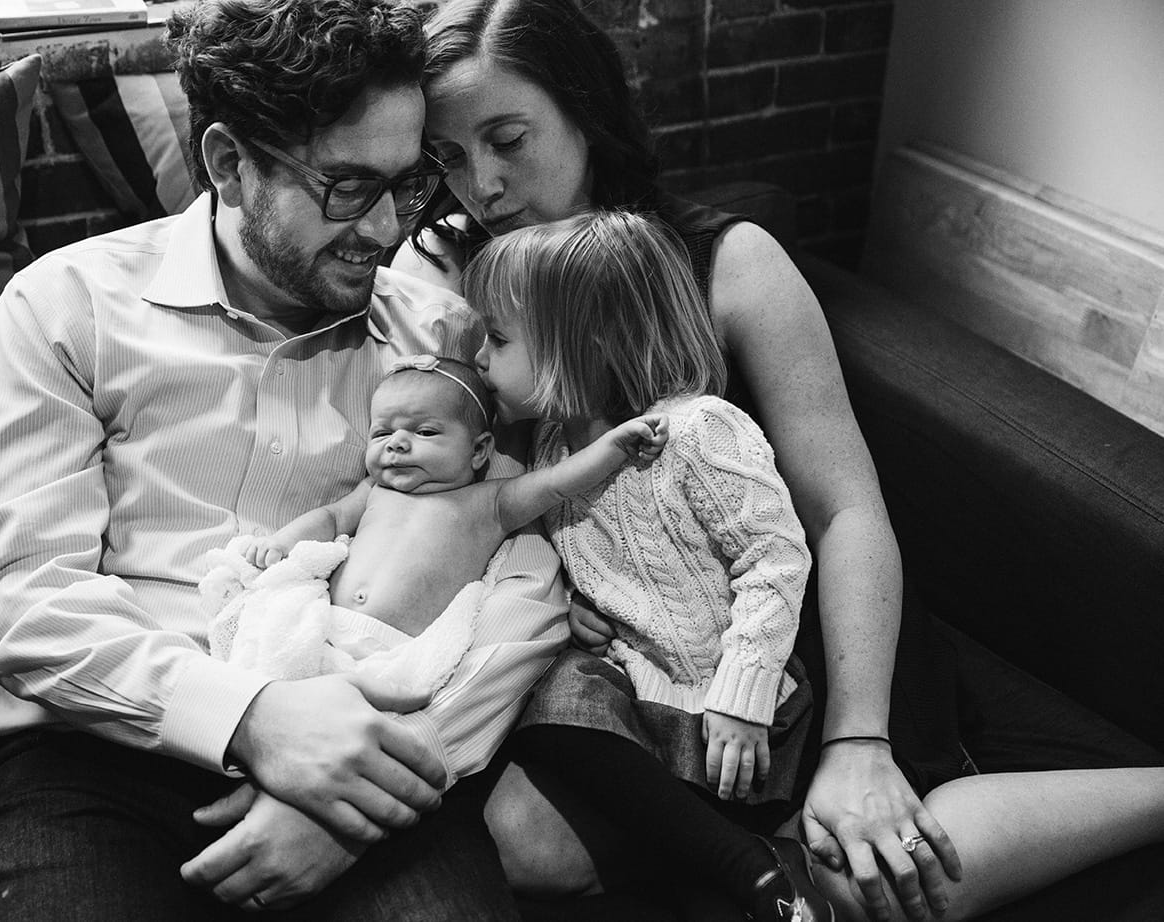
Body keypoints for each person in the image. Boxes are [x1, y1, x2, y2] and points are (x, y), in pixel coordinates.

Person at [394, 1, 1164, 919]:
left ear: (584, 110)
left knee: (874, 876)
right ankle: (753, 850)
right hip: (645, 650)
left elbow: (844, 510)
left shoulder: (731, 262)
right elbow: (490, 490)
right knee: (523, 843)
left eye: (508, 139)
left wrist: (858, 743)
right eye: (449, 155)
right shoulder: (473, 281)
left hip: (790, 626)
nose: (481, 185)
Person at [0, 1, 569, 919]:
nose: (386, 228)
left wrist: (376, 789)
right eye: (347, 186)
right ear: (230, 163)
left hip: (370, 743)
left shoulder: (443, 343)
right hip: (94, 753)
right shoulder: (66, 308)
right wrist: (251, 717)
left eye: (406, 185)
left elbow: (512, 589)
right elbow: (19, 598)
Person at [466, 207, 833, 921]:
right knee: (547, 701)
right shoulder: (549, 453)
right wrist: (577, 606)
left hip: (731, 712)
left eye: (499, 338)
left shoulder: (697, 429)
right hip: (636, 704)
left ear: (588, 343)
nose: (480, 357)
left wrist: (743, 695)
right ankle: (736, 863)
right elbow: (590, 561)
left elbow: (777, 557)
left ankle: (752, 868)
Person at [204, 354, 666, 701]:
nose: (397, 444)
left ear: (479, 451)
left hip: (396, 656)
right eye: (382, 433)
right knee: (271, 674)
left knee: (357, 718)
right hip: (323, 630)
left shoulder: (490, 504)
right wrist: (283, 542)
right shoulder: (373, 491)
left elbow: (557, 482)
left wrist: (614, 446)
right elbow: (330, 518)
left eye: (425, 432)